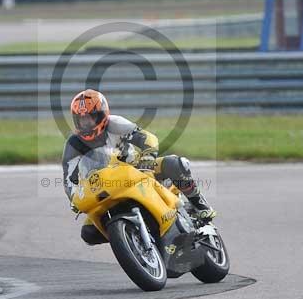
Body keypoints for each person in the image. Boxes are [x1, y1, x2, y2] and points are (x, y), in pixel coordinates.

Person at [62, 89, 215, 245]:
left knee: (175, 164)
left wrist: (147, 158)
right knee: (89, 233)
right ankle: (129, 237)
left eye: (90, 118)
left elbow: (147, 138)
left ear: (102, 114)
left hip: (137, 168)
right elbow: (68, 178)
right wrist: (74, 198)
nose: (86, 124)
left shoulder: (115, 123)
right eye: (81, 120)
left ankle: (198, 203)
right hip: (103, 184)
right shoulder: (73, 144)